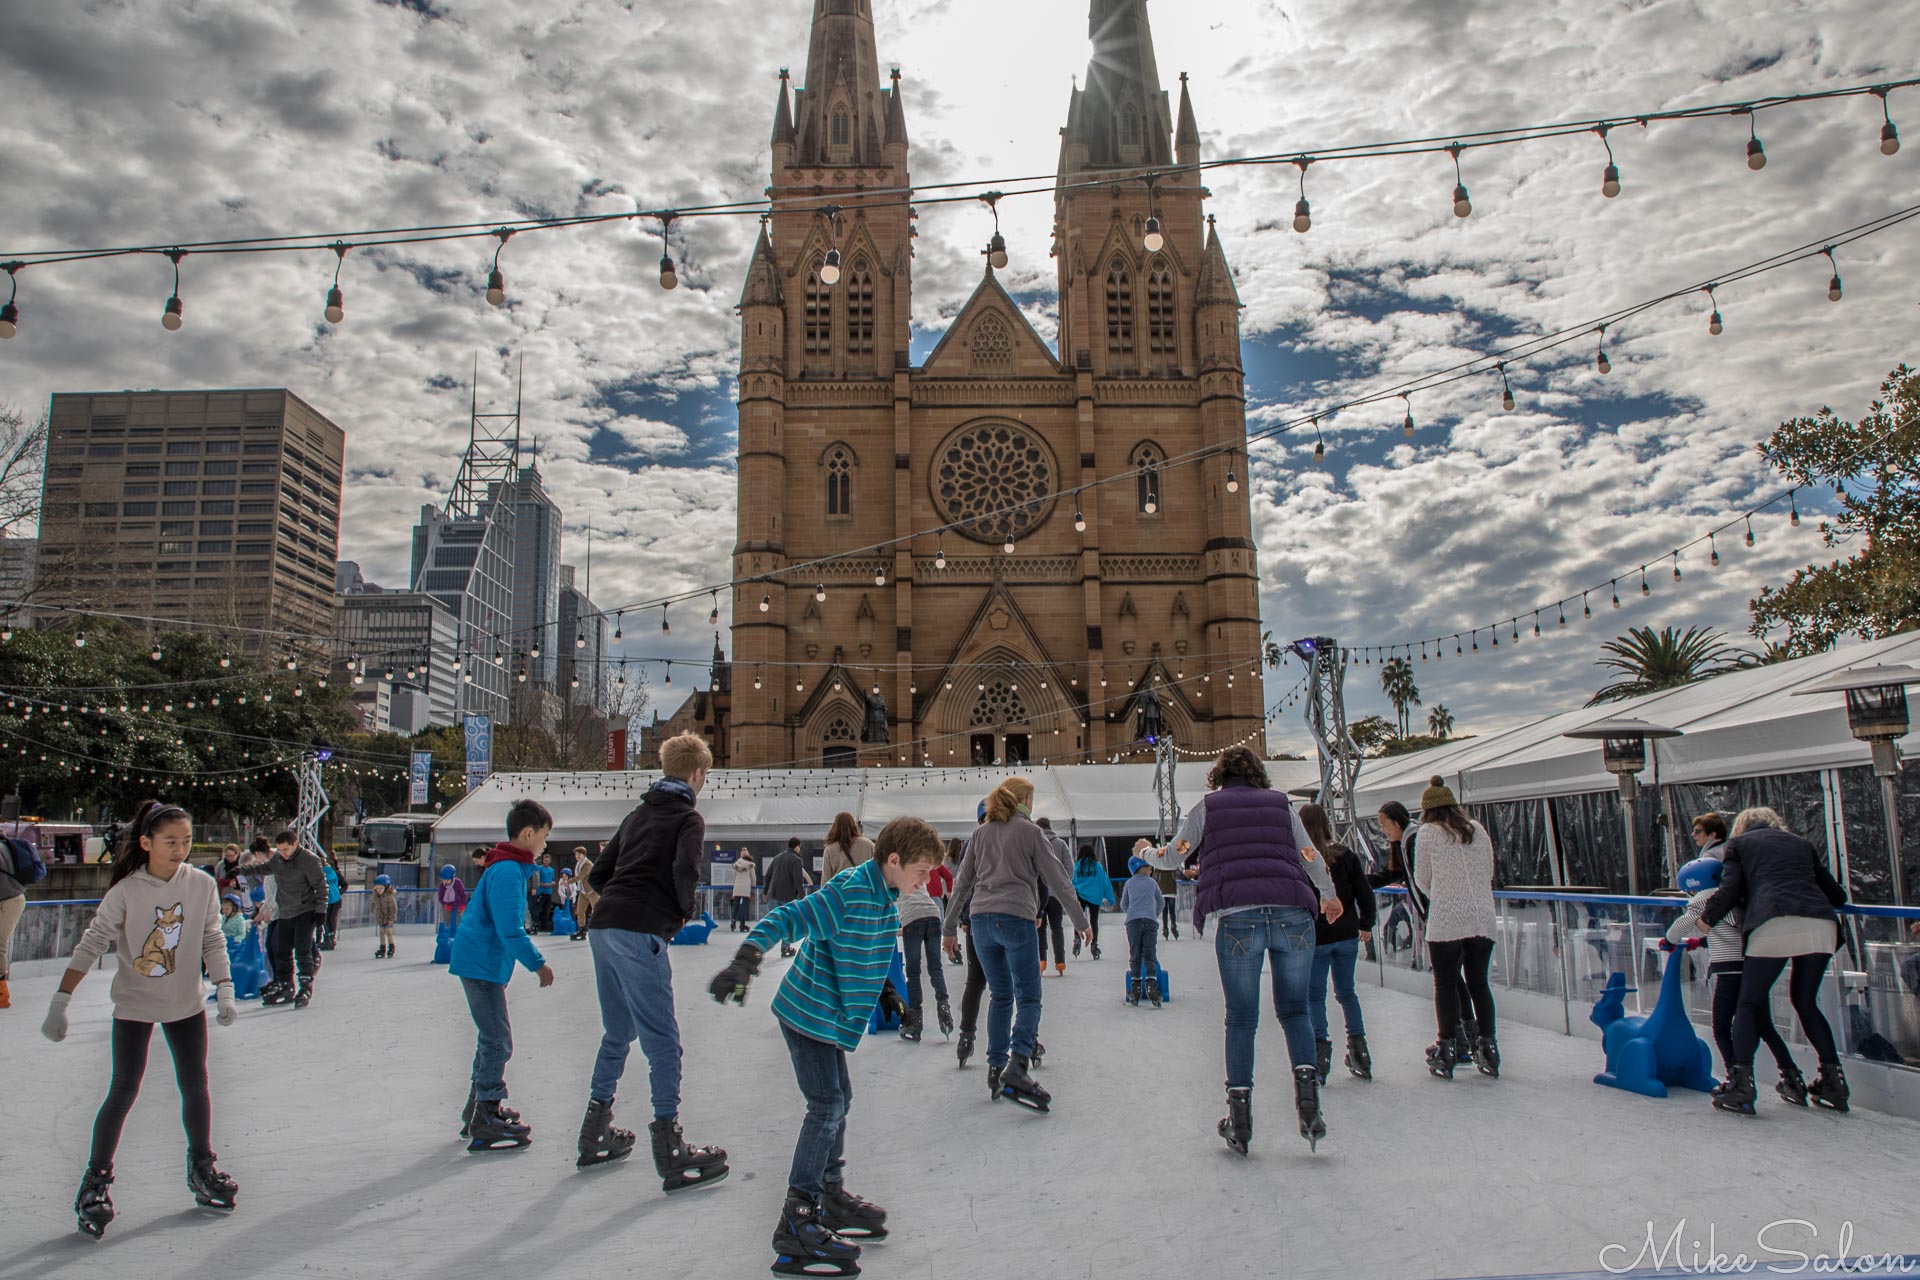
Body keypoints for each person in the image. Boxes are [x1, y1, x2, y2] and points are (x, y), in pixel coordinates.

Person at [709, 815, 944, 1277]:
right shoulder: (850, 892)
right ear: (893, 861)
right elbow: (787, 916)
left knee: (840, 1099)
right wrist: (745, 960)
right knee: (826, 1104)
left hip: (830, 1017)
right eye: (921, 870)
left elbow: (860, 948)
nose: (927, 880)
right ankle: (796, 1218)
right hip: (807, 1014)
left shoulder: (886, 895)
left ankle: (831, 1195)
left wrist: (886, 994)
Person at [41, 801, 238, 1238]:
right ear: (147, 843)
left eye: (186, 841)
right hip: (134, 1006)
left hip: (185, 1003)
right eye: (170, 842)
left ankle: (202, 1167)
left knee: (196, 1085)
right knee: (123, 1090)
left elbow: (211, 937)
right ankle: (95, 1182)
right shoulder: (127, 891)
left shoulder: (202, 884)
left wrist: (224, 987)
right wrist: (61, 1000)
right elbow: (92, 943)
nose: (180, 850)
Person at [1171, 746, 1341, 1155]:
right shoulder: (1282, 804)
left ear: (1219, 775)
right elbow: (1309, 855)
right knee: (1296, 1010)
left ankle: (1240, 1121)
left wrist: (1144, 852)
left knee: (1242, 1019)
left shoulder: (1207, 808)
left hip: (1240, 920)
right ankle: (1309, 1107)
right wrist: (1330, 895)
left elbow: (1172, 855)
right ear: (1259, 774)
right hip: (1293, 914)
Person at [577, 732, 730, 1188]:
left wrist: (624, 903)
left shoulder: (637, 813)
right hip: (639, 930)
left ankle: (594, 1129)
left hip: (602, 928)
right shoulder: (688, 817)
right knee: (663, 1039)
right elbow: (686, 869)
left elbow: (600, 874)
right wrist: (680, 912)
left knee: (619, 1031)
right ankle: (669, 1146)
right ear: (698, 774)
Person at [941, 777, 1090, 1112]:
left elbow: (962, 885)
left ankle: (995, 1068)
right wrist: (1081, 921)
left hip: (980, 923)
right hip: (1015, 918)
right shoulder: (1031, 832)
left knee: (1001, 995)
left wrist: (949, 926)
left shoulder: (980, 834)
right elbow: (1058, 881)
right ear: (1025, 799)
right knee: (1029, 996)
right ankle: (1018, 1064)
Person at [1697, 806, 1849, 1116]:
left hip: (1773, 920)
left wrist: (1705, 921)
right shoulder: (1801, 844)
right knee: (1805, 1002)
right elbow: (1836, 895)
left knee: (1750, 1003)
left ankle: (1741, 1085)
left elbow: (1730, 889)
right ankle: (1834, 1083)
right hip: (1820, 925)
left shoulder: (1738, 845)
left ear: (1741, 828)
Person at [449, 798, 557, 1152]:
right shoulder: (509, 871)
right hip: (481, 961)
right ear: (528, 834)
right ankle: (487, 1114)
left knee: (490, 1038)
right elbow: (510, 928)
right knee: (498, 1040)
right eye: (544, 836)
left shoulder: (506, 866)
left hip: (480, 959)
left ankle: (476, 1111)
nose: (545, 844)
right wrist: (538, 963)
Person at [1665, 856, 1804, 1103]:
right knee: (1764, 1025)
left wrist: (1669, 940)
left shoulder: (1703, 900)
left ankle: (1736, 1079)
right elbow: (1728, 931)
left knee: (1720, 1026)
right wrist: (1702, 942)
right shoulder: (1737, 900)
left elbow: (1682, 925)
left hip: (1728, 973)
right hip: (1751, 969)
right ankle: (1792, 1077)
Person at [1413, 776, 1500, 1081]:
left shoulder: (1427, 833)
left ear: (1427, 811)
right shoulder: (1478, 830)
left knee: (1446, 985)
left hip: (1448, 915)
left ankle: (1447, 1047)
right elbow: (1489, 871)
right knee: (1478, 984)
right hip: (1482, 915)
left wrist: (1441, 895)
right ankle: (1488, 1048)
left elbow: (1421, 877)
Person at [1300, 803, 1377, 1083]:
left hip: (1317, 936)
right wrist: (1366, 922)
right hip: (1346, 934)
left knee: (1314, 996)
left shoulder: (1302, 859)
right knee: (1347, 993)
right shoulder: (1346, 855)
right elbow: (1363, 892)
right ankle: (1360, 1050)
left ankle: (1320, 1054)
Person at [251, 830, 324, 1009]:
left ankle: (305, 985)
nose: (283, 854)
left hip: (302, 910)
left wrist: (320, 911)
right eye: (280, 850)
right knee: (279, 949)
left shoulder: (307, 860)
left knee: (301, 949)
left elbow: (320, 886)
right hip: (283, 912)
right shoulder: (275, 862)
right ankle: (285, 983)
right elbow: (270, 889)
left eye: (286, 850)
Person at [897, 863, 951, 1042]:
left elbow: (892, 900)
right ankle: (944, 1007)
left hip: (913, 918)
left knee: (913, 972)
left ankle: (915, 1021)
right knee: (935, 968)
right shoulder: (918, 867)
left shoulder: (894, 870)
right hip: (933, 915)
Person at [1119, 855, 1162, 1005]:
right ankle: (1151, 985)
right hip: (1150, 921)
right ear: (1143, 867)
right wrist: (1153, 914)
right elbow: (1161, 902)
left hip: (1133, 922)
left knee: (1135, 954)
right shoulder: (1153, 883)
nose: (1151, 869)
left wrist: (1132, 913)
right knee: (1150, 954)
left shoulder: (1129, 884)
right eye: (1150, 867)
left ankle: (1135, 988)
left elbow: (1124, 904)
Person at [1032, 816, 1072, 975]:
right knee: (1057, 927)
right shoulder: (1061, 844)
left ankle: (1041, 961)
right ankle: (1060, 962)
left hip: (1039, 895)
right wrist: (1062, 884)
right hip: (1056, 894)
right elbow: (1070, 868)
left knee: (1040, 928)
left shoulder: (1035, 844)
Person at [764, 837, 813, 959]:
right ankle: (785, 948)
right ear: (797, 846)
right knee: (788, 923)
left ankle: (759, 948)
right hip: (786, 897)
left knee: (774, 923)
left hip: (772, 895)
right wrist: (802, 898)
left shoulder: (777, 857)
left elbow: (768, 875)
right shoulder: (796, 860)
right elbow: (798, 881)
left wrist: (765, 892)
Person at [1071, 844, 1115, 960]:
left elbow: (1071, 881)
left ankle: (1077, 939)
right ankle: (1094, 944)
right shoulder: (1097, 866)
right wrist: (1111, 899)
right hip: (1095, 896)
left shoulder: (1077, 866)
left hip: (1080, 895)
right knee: (1094, 920)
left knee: (1078, 918)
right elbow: (1105, 882)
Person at [0, 833, 23, 1010]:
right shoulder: (7, 846)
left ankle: (1, 992)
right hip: (15, 898)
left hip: (8, 900)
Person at [821, 813, 873, 880]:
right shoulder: (868, 844)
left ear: (835, 827)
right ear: (853, 825)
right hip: (863, 887)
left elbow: (826, 879)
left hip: (840, 889)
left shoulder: (830, 849)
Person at [318, 851, 344, 952]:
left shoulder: (322, 874)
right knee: (330, 920)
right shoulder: (332, 872)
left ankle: (328, 940)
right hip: (335, 898)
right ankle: (330, 940)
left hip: (329, 900)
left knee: (326, 920)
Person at [571, 846, 597, 940]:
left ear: (584, 854)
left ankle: (600, 929)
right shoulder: (578, 864)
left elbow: (581, 876)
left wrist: (568, 882)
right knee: (580, 911)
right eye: (576, 854)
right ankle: (582, 930)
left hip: (592, 891)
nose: (577, 856)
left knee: (597, 910)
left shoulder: (588, 864)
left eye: (579, 854)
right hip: (583, 890)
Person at [371, 874, 399, 958]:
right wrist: (371, 910)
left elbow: (394, 908)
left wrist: (392, 919)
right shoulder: (376, 895)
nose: (379, 890)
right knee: (381, 932)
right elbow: (372, 901)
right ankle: (382, 947)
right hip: (381, 917)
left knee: (388, 932)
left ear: (386, 887)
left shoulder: (390, 897)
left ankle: (391, 947)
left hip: (389, 918)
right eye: (377, 888)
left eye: (381, 888)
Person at [731, 848, 757, 933]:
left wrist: (734, 886)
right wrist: (754, 884)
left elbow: (734, 877)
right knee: (744, 906)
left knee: (736, 905)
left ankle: (733, 922)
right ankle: (742, 924)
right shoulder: (750, 864)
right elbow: (753, 877)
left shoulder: (737, 864)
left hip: (737, 887)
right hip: (745, 887)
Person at [438, 863, 469, 934]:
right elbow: (440, 897)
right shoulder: (441, 886)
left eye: (447, 879)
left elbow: (463, 894)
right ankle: (445, 936)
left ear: (452, 878)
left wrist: (463, 904)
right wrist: (444, 905)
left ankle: (457, 936)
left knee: (458, 923)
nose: (445, 881)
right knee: (445, 923)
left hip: (458, 907)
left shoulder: (458, 883)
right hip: (447, 908)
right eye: (443, 879)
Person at [532, 852, 558, 934]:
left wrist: (551, 884)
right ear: (543, 860)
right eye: (545, 860)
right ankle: (536, 926)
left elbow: (553, 880)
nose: (546, 862)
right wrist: (543, 884)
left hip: (549, 892)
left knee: (546, 911)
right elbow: (536, 880)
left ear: (550, 861)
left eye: (548, 860)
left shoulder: (551, 870)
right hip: (541, 892)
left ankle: (545, 927)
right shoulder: (539, 868)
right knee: (538, 910)